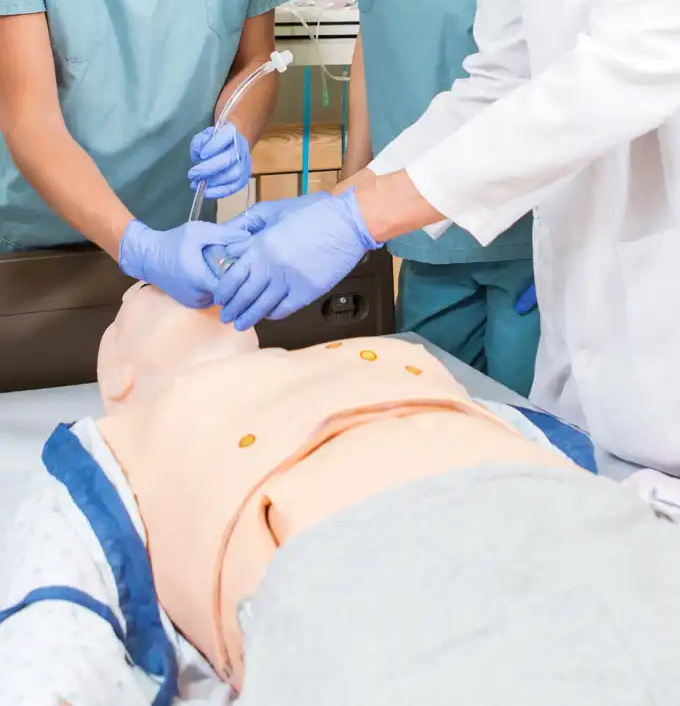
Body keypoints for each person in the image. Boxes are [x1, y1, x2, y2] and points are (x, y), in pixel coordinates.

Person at [3, 282, 680, 705]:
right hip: (366, 577)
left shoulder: (391, 357)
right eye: (138, 292)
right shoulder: (110, 447)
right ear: (115, 378)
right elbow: (53, 625)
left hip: (571, 525)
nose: (188, 272)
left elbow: (554, 452)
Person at [214, 0, 680, 475]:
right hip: (596, 355)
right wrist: (347, 196)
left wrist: (362, 216)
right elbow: (500, 79)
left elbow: (621, 73)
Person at [0, 0, 300, 309]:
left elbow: (258, 60)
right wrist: (137, 247)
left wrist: (236, 128)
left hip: (182, 243)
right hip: (38, 248)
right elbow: (29, 116)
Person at [341, 0, 538, 396]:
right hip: (418, 229)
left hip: (531, 232)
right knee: (436, 428)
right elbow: (373, 28)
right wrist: (346, 193)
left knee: (534, 437)